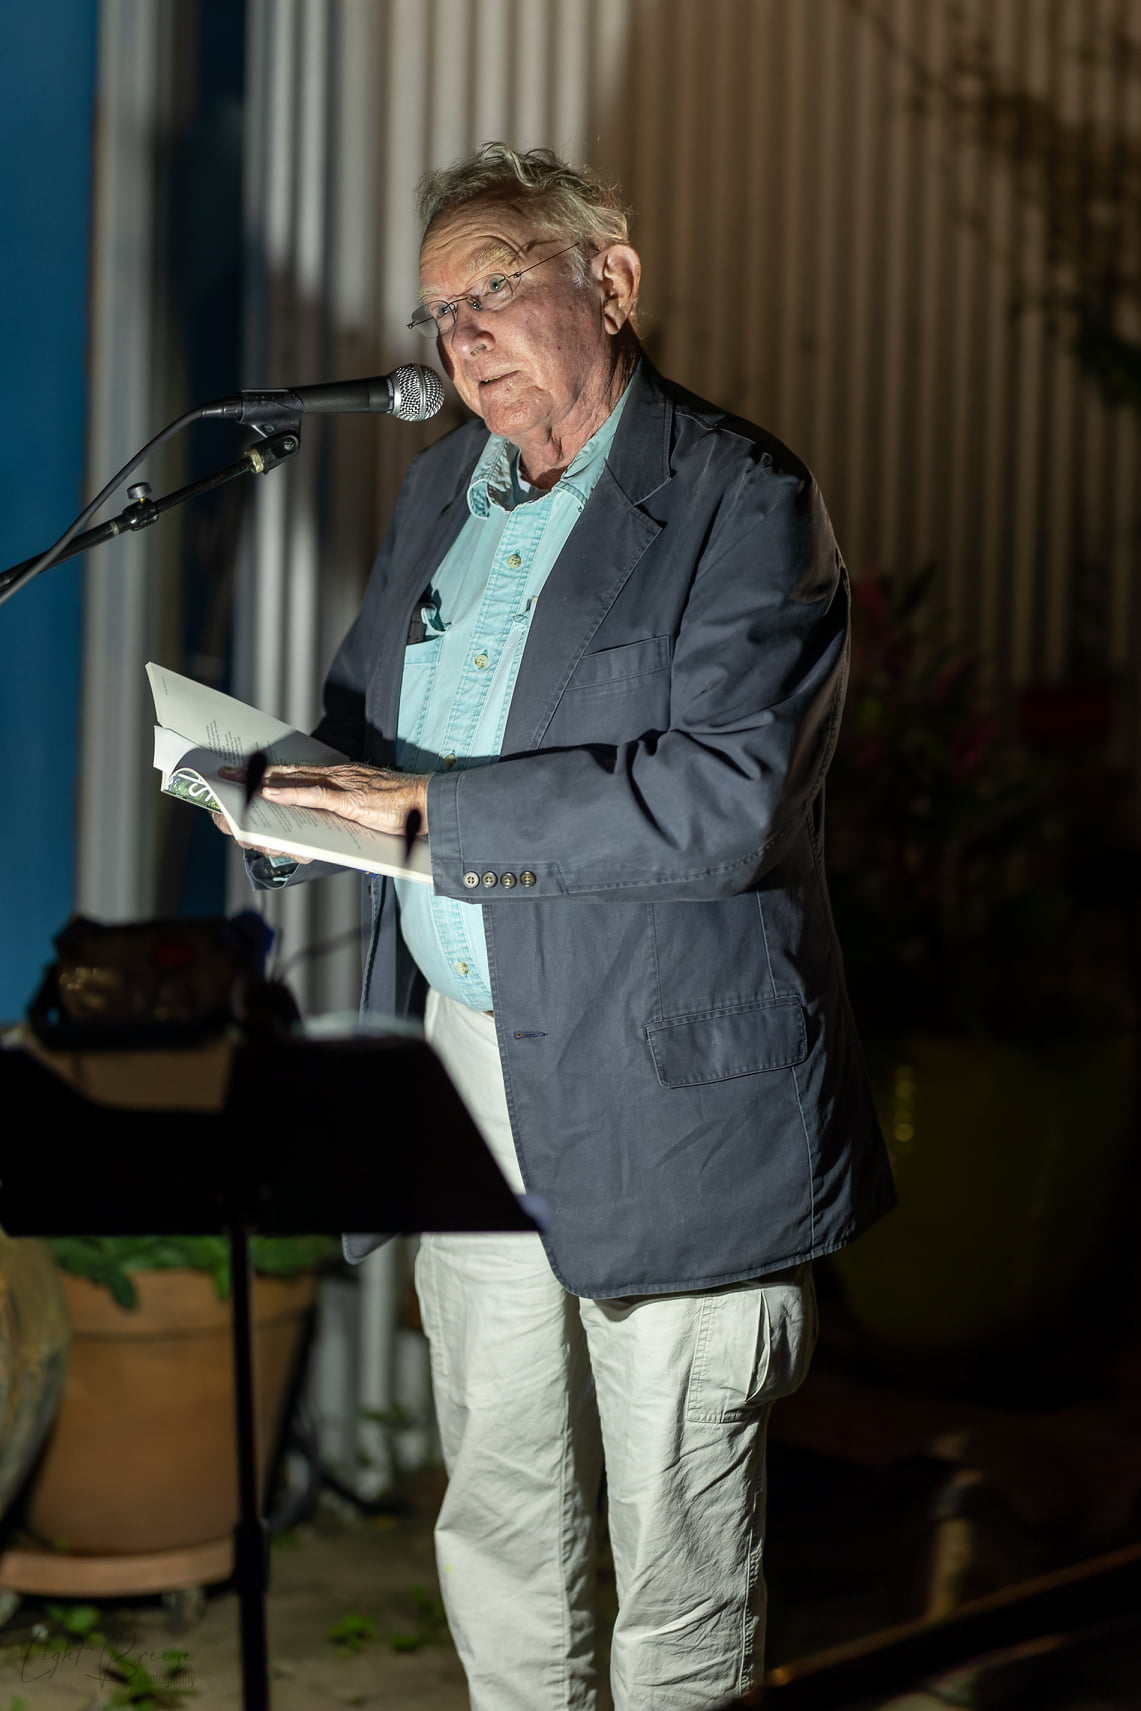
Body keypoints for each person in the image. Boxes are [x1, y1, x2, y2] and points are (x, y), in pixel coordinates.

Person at [234, 144, 894, 1711]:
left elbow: (726, 803)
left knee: (677, 1548)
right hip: (466, 1063)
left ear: (611, 281)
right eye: (437, 311)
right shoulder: (437, 494)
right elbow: (366, 731)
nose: (459, 337)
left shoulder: (739, 498)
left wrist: (428, 815)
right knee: (500, 1507)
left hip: (664, 1079)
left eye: (494, 287)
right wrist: (277, 794)